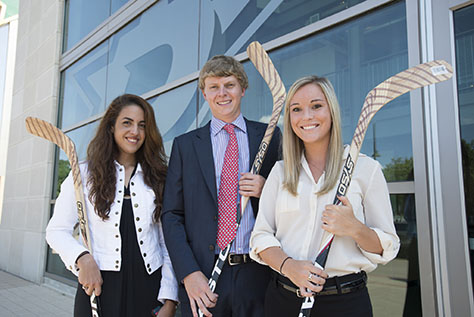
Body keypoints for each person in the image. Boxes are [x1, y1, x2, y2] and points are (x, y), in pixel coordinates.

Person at [250, 76, 400, 316]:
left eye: (316, 106)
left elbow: (388, 247)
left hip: (345, 302)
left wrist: (354, 228)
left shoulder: (366, 169)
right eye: (296, 109)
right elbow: (261, 237)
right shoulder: (279, 172)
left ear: (332, 111)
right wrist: (289, 267)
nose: (306, 116)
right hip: (284, 299)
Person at [161, 55, 281, 317]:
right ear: (204, 93)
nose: (222, 93)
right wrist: (189, 273)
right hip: (203, 276)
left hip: (259, 272)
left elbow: (291, 197)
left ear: (243, 90)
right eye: (214, 87)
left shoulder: (270, 137)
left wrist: (268, 189)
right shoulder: (185, 145)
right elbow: (171, 215)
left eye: (229, 84)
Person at [46, 94, 178, 317]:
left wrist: (170, 296)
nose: (135, 131)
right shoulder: (84, 174)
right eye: (127, 123)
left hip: (149, 288)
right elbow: (56, 231)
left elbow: (167, 243)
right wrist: (82, 259)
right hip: (98, 286)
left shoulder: (159, 177)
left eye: (142, 125)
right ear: (111, 127)